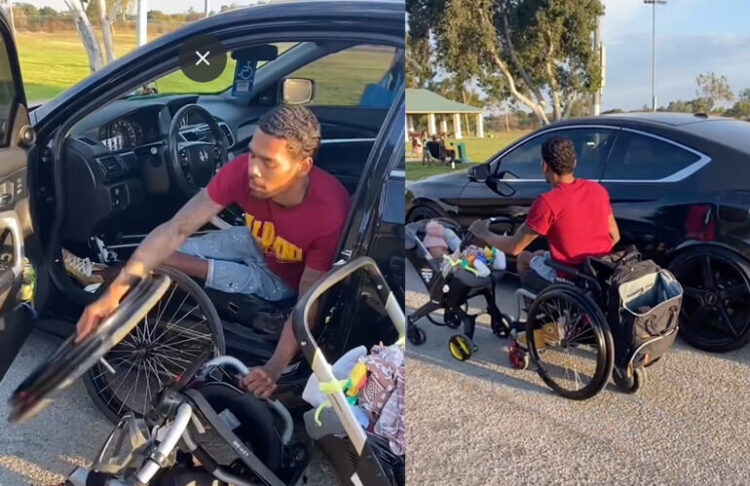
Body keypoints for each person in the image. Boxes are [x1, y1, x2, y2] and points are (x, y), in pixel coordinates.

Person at [74, 104, 351, 399]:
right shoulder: (241, 172)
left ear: (303, 166)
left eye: (268, 162)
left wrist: (274, 367)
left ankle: (99, 278)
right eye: (253, 154)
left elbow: (307, 302)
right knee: (165, 251)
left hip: (283, 282)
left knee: (182, 263)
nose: (253, 169)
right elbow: (175, 228)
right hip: (256, 241)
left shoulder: (328, 214)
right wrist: (114, 294)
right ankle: (101, 280)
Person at [468, 136, 620, 291]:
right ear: (574, 163)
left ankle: (538, 308)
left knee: (523, 258)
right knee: (540, 253)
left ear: (545, 166)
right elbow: (615, 236)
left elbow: (514, 247)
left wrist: (483, 233)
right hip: (598, 269)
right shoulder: (597, 190)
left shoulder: (548, 202)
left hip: (568, 275)